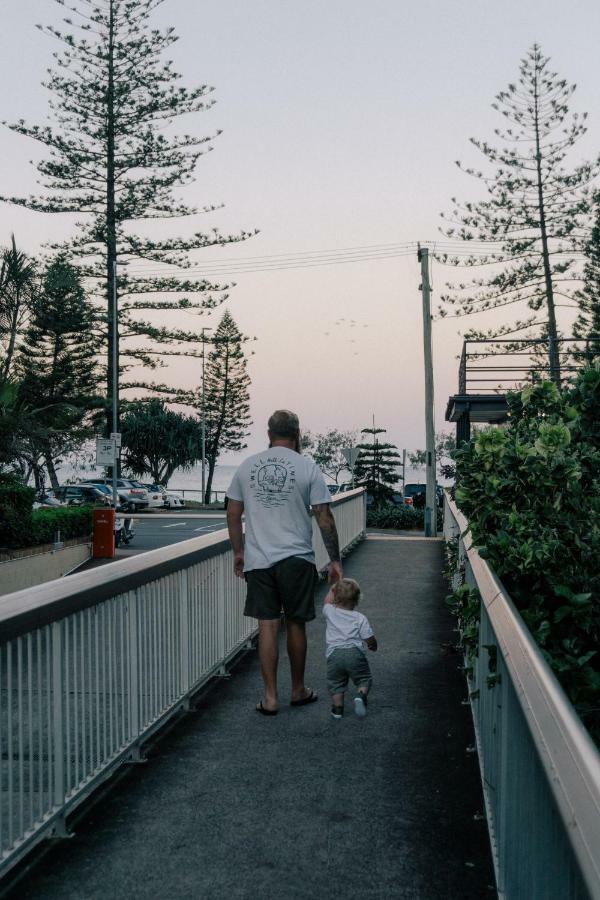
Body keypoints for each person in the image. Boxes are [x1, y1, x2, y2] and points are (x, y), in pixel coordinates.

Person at [226, 409, 343, 715]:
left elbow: (233, 513)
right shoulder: (307, 467)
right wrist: (335, 560)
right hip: (296, 558)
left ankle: (270, 698)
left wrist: (239, 552)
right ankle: (298, 690)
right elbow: (323, 516)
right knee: (295, 623)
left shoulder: (247, 467)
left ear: (269, 434)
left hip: (259, 559)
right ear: (297, 434)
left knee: (267, 626)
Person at [323, 577, 377, 719]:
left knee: (336, 683)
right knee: (364, 678)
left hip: (334, 655)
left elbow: (327, 600)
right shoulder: (359, 617)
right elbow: (368, 637)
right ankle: (361, 695)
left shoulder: (329, 611)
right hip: (354, 653)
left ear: (335, 597)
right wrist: (372, 645)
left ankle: (337, 709)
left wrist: (333, 587)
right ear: (357, 600)